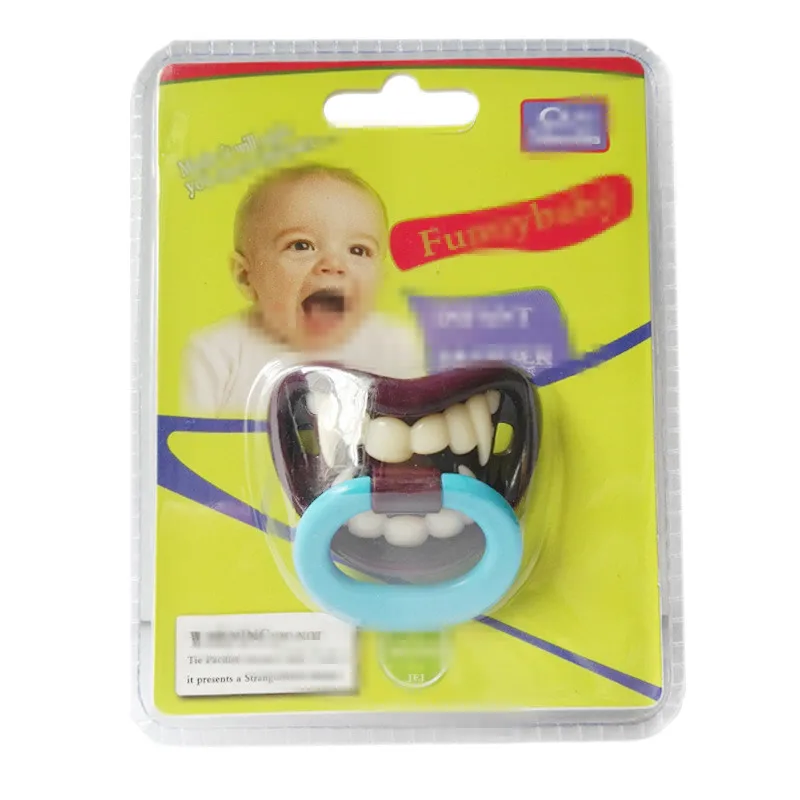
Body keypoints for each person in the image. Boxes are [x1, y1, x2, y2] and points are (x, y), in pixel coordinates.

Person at [181, 164, 427, 417]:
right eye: (301, 245)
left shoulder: (393, 345)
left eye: (358, 250)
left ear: (382, 277)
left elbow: (416, 426)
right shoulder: (217, 354)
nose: (333, 264)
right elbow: (186, 434)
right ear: (245, 276)